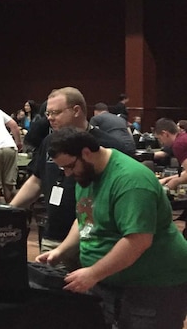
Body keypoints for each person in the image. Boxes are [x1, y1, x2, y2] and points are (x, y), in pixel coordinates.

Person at [36, 128, 187, 329]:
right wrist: (61, 251)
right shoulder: (88, 174)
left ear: (86, 152)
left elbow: (138, 241)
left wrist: (93, 273)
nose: (68, 174)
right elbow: (85, 220)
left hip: (152, 285)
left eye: (70, 166)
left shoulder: (131, 181)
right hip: (109, 282)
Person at [11, 87, 138, 258]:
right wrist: (8, 210)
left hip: (94, 240)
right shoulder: (50, 142)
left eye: (55, 112)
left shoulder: (107, 146)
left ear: (76, 110)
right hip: (53, 235)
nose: (50, 118)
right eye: (48, 113)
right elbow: (36, 181)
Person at [154, 118, 187, 189]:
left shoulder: (178, 145)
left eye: (159, 138)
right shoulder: (183, 137)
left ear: (165, 134)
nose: (161, 143)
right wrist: (166, 179)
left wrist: (176, 181)